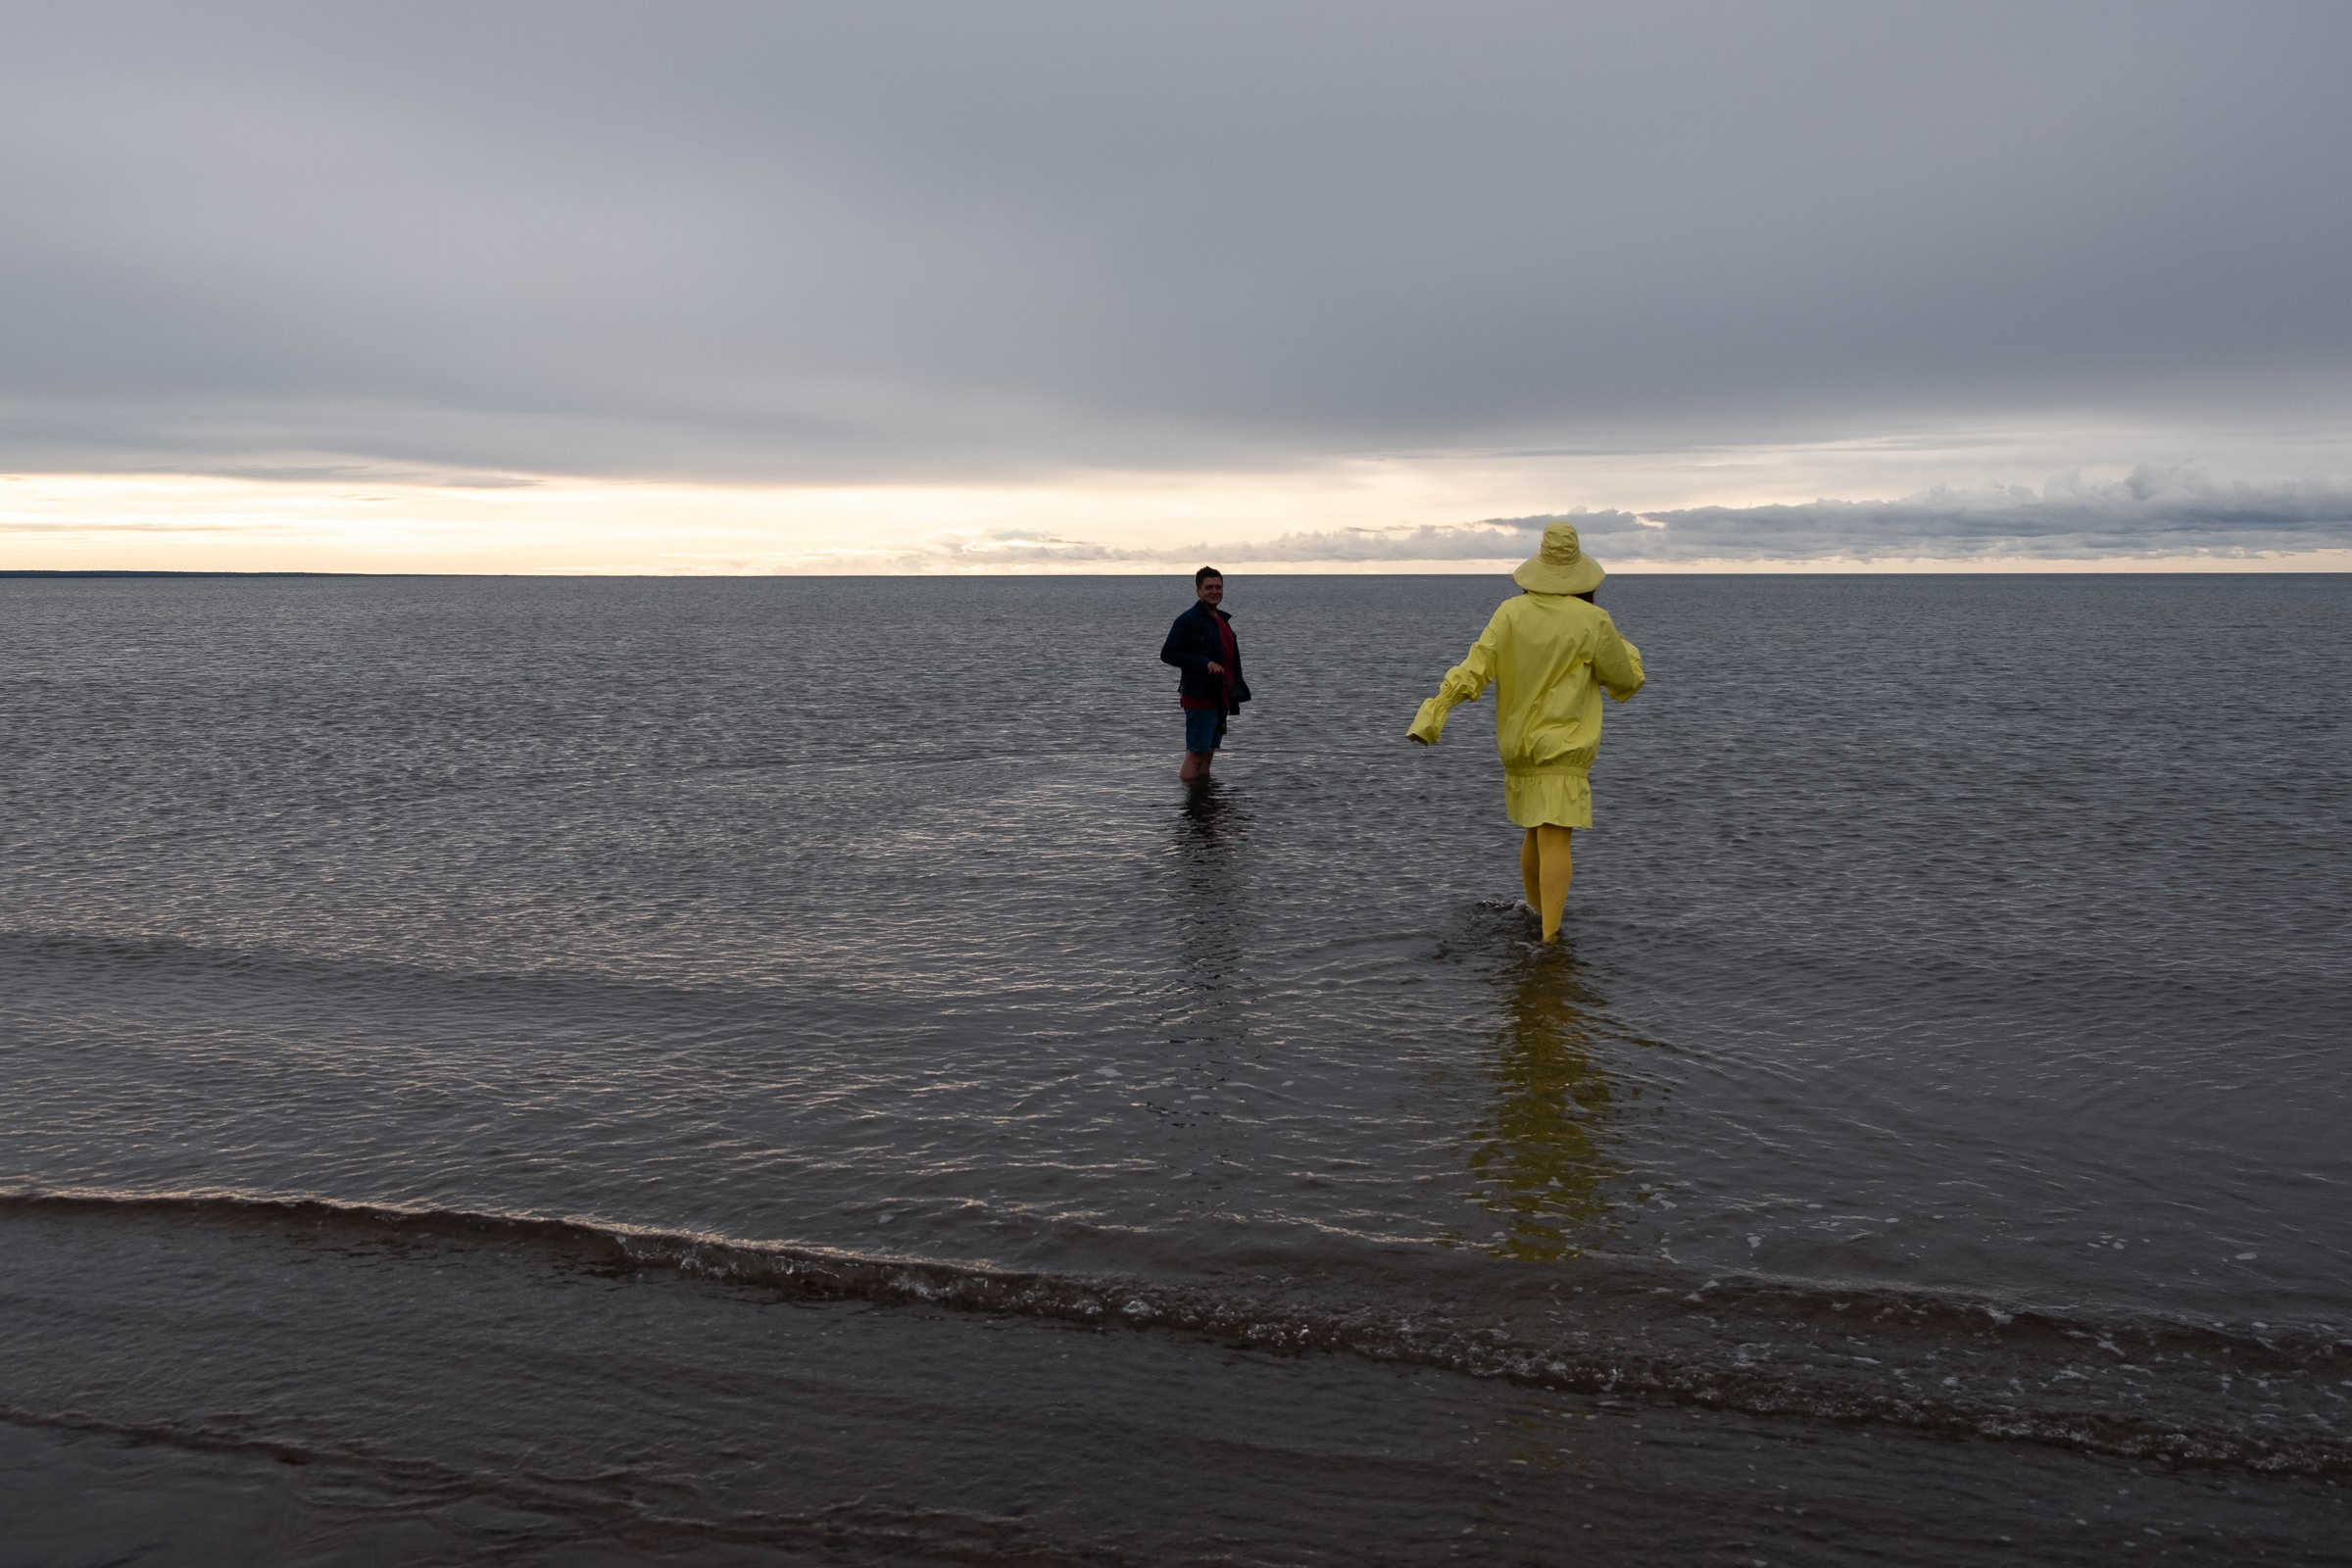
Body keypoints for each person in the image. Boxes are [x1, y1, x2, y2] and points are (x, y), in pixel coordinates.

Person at [1407, 522, 1644, 942]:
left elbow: (1474, 670)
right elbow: (1625, 680)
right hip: (1563, 747)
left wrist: (1434, 713)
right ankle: (1550, 940)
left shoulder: (1510, 613)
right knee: (1555, 836)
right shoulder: (1593, 620)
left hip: (1517, 746)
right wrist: (1624, 645)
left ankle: (1533, 913)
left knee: (1535, 829)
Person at [1160, 566, 1250, 782]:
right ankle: (1191, 806)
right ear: (1198, 591)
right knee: (1195, 753)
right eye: (1208, 587)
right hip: (1199, 696)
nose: (1214, 591)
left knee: (1208, 753)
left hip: (1221, 696)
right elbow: (1168, 653)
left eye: (1218, 587)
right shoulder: (1187, 620)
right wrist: (1204, 663)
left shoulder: (1221, 619)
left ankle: (1203, 801)